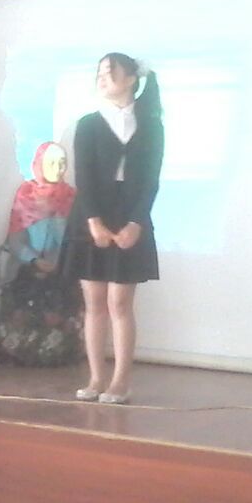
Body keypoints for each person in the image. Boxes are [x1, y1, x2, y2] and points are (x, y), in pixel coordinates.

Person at [60, 53, 164, 404]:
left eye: (109, 72)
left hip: (130, 213)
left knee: (120, 302)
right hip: (91, 214)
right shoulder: (89, 123)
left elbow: (150, 180)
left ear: (131, 78)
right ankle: (95, 378)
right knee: (94, 302)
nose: (101, 78)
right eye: (99, 73)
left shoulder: (151, 124)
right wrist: (94, 222)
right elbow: (84, 176)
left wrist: (136, 223)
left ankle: (120, 381)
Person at [0, 142, 83, 367]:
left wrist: (54, 260)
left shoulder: (72, 197)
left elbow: (72, 239)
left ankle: (56, 354)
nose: (58, 168)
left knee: (61, 290)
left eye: (62, 163)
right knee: (25, 289)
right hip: (25, 265)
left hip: (61, 265)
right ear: (39, 164)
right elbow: (15, 240)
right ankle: (18, 354)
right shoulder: (25, 194)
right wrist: (35, 260)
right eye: (51, 162)